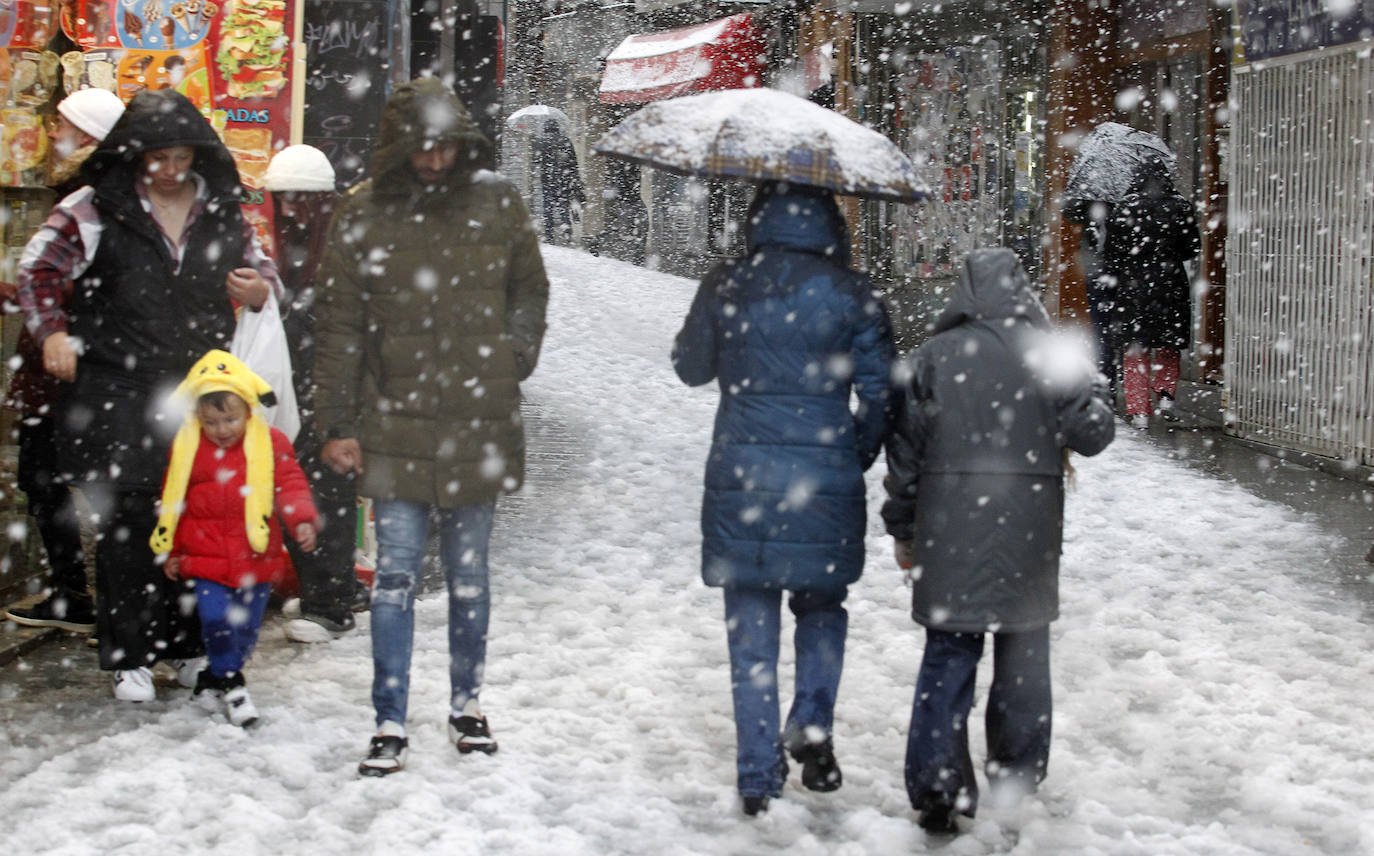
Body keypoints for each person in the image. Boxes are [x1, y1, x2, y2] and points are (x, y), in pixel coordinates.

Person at [311, 78, 549, 777]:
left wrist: (513, 355)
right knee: (395, 579)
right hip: (391, 422)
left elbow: (529, 288)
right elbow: (339, 328)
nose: (436, 161)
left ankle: (466, 705)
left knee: (470, 575)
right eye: (423, 147)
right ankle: (389, 717)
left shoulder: (499, 204)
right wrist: (336, 421)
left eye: (446, 147)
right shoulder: (362, 214)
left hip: (479, 418)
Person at [16, 89, 282, 702]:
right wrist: (52, 332)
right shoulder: (94, 206)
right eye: (155, 157)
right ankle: (129, 654)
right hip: (118, 385)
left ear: (196, 155)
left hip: (199, 389)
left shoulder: (220, 210)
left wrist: (259, 292)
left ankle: (187, 647)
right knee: (130, 521)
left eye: (179, 156)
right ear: (133, 155)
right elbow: (38, 270)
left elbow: (266, 275)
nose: (168, 170)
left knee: (197, 515)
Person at [672, 180, 895, 817]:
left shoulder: (728, 283)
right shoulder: (854, 293)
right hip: (824, 477)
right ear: (831, 222)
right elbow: (883, 395)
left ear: (758, 218)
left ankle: (754, 773)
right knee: (823, 607)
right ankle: (812, 724)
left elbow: (691, 367)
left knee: (751, 629)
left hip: (742, 477)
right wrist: (852, 454)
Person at [881, 248, 1115, 835]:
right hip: (1028, 532)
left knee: (948, 654)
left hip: (949, 530)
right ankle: (1015, 771)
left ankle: (938, 785)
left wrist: (904, 529)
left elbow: (904, 458)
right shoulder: (1046, 355)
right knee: (1023, 652)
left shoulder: (932, 358)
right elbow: (1093, 434)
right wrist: (1092, 388)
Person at [3, 87, 125, 635]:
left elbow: (74, 290)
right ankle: (88, 592)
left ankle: (75, 593)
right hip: (67, 369)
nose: (53, 133)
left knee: (52, 476)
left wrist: (18, 295)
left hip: (68, 371)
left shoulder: (87, 202)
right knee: (60, 477)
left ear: (90, 138)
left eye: (63, 124)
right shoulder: (92, 197)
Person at [152, 350, 320, 727]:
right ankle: (234, 682)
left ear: (248, 409)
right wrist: (174, 550)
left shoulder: (270, 443)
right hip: (206, 556)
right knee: (216, 620)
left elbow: (290, 485)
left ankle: (218, 674)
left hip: (254, 556)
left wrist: (302, 520)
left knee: (245, 629)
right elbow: (174, 501)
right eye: (211, 421)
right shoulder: (189, 449)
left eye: (230, 418)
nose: (222, 429)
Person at [261, 143, 368, 642]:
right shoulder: (310, 242)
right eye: (280, 199)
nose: (286, 211)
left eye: (296, 200)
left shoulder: (344, 248)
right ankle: (336, 591)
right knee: (314, 492)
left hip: (331, 389)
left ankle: (331, 602)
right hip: (306, 386)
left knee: (318, 492)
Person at [1102, 160, 1200, 429]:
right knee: (1169, 340)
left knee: (1136, 346)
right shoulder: (1181, 206)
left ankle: (1138, 410)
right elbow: (1192, 248)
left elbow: (1111, 252)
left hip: (1134, 284)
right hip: (1171, 281)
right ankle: (1166, 394)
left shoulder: (1125, 207)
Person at [533, 118, 583, 245]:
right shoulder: (565, 140)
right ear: (557, 128)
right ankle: (566, 229)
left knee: (548, 207)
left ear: (546, 128)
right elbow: (573, 162)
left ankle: (549, 234)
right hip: (563, 179)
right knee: (563, 204)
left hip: (547, 179)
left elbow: (536, 160)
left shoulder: (540, 141)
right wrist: (575, 176)